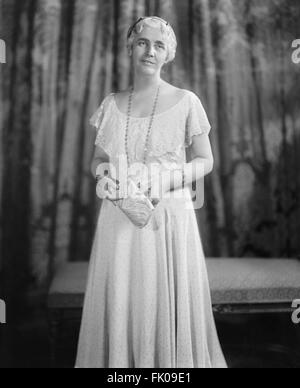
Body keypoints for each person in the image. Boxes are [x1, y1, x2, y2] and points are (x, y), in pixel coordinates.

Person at [75, 16, 227, 368]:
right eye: (143, 42)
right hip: (119, 216)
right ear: (130, 47)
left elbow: (205, 161)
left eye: (159, 45)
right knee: (126, 297)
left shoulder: (187, 101)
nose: (150, 51)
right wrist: (107, 176)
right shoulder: (111, 104)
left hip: (169, 213)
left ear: (168, 53)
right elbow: (98, 160)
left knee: (163, 297)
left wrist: (166, 180)